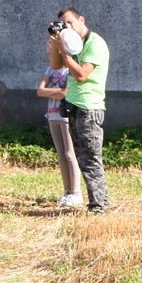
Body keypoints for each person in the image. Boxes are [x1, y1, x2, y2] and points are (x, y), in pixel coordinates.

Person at [49, 8, 110, 214]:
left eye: (70, 23)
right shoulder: (73, 43)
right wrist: (55, 45)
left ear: (81, 19)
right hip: (74, 104)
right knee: (82, 157)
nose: (68, 28)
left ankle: (99, 206)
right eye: (64, 25)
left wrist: (65, 52)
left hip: (89, 107)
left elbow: (82, 75)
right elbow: (56, 66)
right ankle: (98, 202)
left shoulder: (95, 43)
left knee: (91, 157)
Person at [37, 58, 83, 207]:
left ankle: (76, 193)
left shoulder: (70, 69)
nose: (48, 53)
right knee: (61, 153)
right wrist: (58, 92)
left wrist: (53, 92)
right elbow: (40, 91)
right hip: (52, 114)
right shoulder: (50, 69)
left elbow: (66, 92)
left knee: (70, 153)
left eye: (50, 50)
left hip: (66, 114)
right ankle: (67, 191)